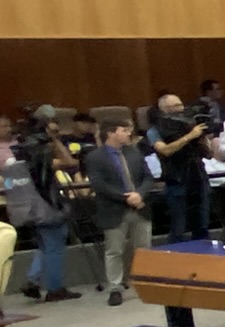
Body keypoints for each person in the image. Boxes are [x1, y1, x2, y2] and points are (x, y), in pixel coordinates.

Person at [3, 112, 78, 302]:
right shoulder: (40, 156)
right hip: (47, 207)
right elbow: (70, 162)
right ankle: (55, 289)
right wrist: (55, 140)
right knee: (54, 248)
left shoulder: (15, 159)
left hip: (25, 209)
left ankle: (33, 280)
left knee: (45, 247)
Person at [86, 120, 156, 306]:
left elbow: (148, 177)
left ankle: (145, 283)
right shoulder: (95, 157)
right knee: (114, 251)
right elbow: (99, 184)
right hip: (114, 209)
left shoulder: (134, 153)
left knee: (143, 248)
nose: (128, 133)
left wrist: (139, 194)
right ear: (110, 133)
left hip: (140, 206)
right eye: (123, 130)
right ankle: (115, 288)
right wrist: (125, 197)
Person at [145, 92, 213, 243]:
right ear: (164, 109)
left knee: (202, 225)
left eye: (181, 105)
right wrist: (189, 136)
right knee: (179, 227)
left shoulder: (189, 125)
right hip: (177, 181)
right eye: (175, 106)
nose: (180, 108)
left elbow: (209, 154)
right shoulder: (155, 130)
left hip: (199, 179)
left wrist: (202, 138)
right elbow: (165, 150)